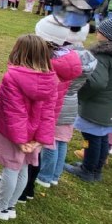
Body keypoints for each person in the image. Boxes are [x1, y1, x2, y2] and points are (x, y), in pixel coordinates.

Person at [0, 35, 58, 221]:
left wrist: (20, 140)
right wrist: (40, 138)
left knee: (11, 169)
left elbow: (13, 112)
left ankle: (0, 206)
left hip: (14, 133)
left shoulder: (13, 77)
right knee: (23, 168)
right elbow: (49, 113)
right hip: (32, 134)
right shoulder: (51, 79)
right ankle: (10, 204)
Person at [65, 16, 112, 182]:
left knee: (90, 138)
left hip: (96, 105)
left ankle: (87, 169)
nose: (97, 32)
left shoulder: (104, 55)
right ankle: (96, 169)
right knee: (103, 137)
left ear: (110, 35)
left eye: (101, 30)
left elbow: (96, 83)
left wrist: (80, 95)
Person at [17, 17, 81, 202]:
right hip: (49, 114)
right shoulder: (66, 60)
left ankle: (20, 191)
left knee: (25, 156)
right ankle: (28, 188)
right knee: (35, 154)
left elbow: (32, 90)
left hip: (35, 114)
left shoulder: (47, 65)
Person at [36, 26, 97, 185]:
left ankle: (45, 175)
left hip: (58, 102)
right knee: (62, 140)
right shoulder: (85, 56)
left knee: (50, 140)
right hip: (72, 100)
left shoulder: (63, 58)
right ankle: (56, 174)